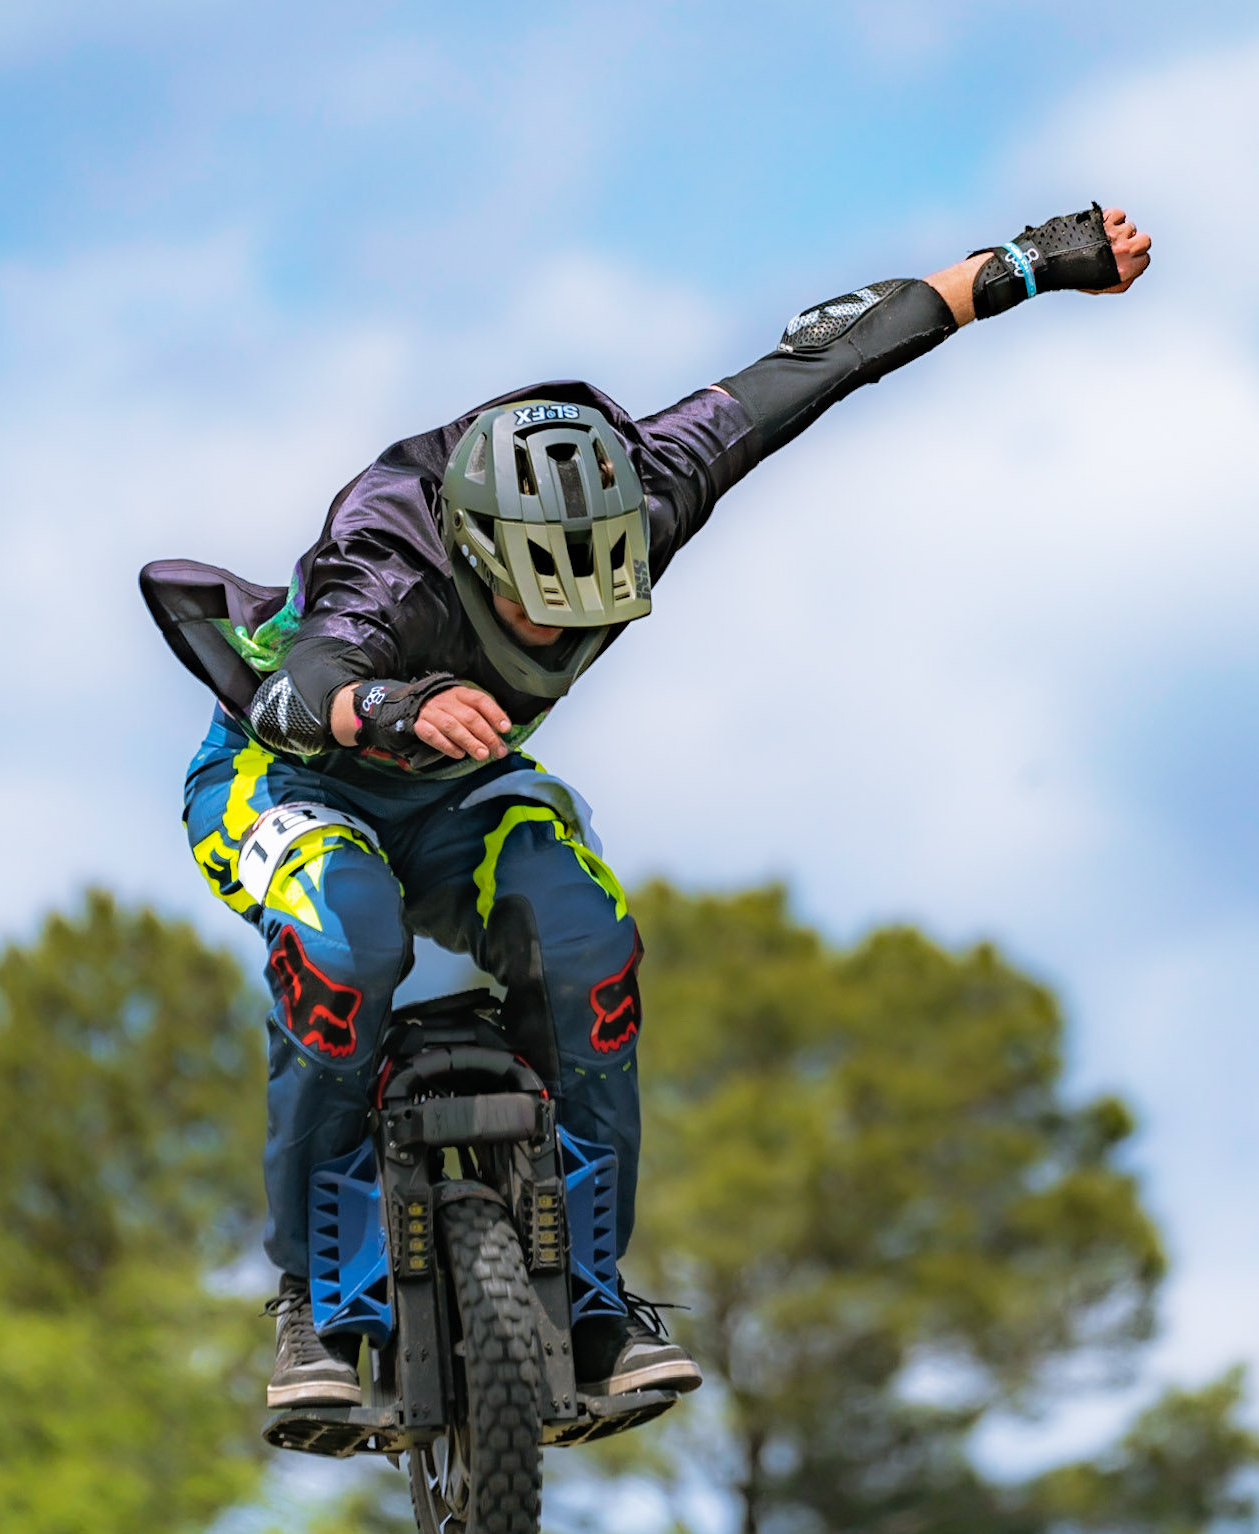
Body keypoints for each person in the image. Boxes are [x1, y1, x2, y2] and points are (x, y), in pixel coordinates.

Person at [143, 203, 1151, 1410]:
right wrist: (392, 707)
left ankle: (594, 1301)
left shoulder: (654, 482)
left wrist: (1032, 265)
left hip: (462, 791)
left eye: (588, 599)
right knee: (344, 938)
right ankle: (312, 1303)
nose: (560, 631)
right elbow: (302, 686)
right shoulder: (389, 555)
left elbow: (824, 359)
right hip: (290, 777)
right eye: (532, 610)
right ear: (472, 555)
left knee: (589, 941)